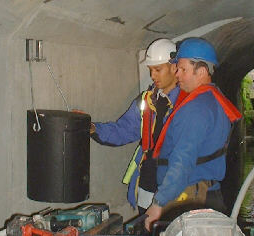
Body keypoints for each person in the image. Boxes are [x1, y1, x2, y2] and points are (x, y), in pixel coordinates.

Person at [144, 38, 242, 231]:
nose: (177, 74)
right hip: (207, 194)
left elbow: (182, 162)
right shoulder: (212, 100)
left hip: (188, 199)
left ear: (202, 72)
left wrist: (158, 203)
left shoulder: (195, 109)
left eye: (183, 69)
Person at [90, 38, 187, 214]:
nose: (153, 76)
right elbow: (124, 130)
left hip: (176, 191)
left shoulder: (187, 103)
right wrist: (93, 129)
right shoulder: (146, 100)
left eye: (158, 69)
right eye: (151, 70)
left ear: (174, 67)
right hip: (147, 186)